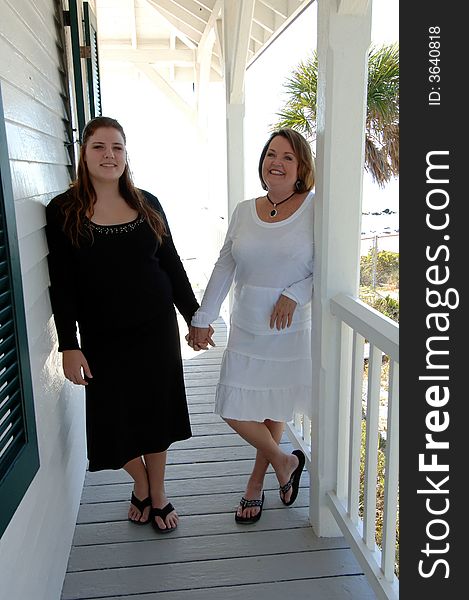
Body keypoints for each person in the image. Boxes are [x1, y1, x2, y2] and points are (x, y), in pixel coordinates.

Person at [45, 116, 205, 533]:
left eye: (117, 147)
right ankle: (143, 481)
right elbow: (61, 286)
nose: (109, 155)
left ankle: (158, 494)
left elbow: (170, 265)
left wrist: (195, 317)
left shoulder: (147, 202)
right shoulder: (63, 210)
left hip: (156, 330)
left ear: (126, 154)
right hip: (102, 336)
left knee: (156, 413)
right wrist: (69, 343)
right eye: (99, 147)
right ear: (83, 153)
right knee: (112, 421)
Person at [187, 128, 314, 524]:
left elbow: (328, 269)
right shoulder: (244, 210)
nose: (276, 162)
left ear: (301, 168)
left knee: (272, 407)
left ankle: (255, 485)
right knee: (232, 404)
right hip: (245, 325)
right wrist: (203, 318)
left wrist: (296, 292)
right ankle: (284, 460)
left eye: (288, 157)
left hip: (287, 328)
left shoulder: (315, 208)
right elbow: (226, 266)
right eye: (271, 154)